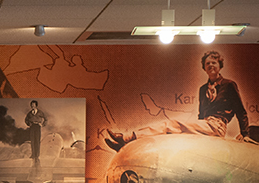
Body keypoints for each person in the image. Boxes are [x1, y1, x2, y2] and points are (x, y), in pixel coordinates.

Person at [106, 51, 256, 151]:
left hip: (217, 126)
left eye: (214, 63)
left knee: (171, 124)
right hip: (205, 125)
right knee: (172, 134)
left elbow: (241, 111)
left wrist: (245, 134)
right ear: (204, 68)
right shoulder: (203, 89)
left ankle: (126, 138)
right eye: (207, 63)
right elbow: (201, 114)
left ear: (219, 66)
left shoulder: (229, 85)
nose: (210, 65)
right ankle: (127, 147)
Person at [25, 100, 47, 164]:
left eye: (34, 105)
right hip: (32, 127)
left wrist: (42, 124)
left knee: (37, 140)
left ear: (36, 105)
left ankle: (37, 155)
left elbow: (45, 119)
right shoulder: (29, 113)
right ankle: (33, 155)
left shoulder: (40, 112)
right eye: (32, 105)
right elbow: (26, 120)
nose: (32, 106)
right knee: (32, 140)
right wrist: (29, 124)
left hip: (38, 126)